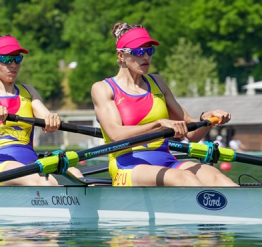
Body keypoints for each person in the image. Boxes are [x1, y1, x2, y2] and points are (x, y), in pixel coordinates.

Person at [91, 22, 238, 187]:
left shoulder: (158, 82)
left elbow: (192, 134)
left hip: (167, 162)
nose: (146, 57)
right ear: (121, 55)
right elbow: (116, 135)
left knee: (217, 177)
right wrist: (159, 124)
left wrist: (206, 119)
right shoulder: (103, 89)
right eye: (139, 51)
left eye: (150, 50)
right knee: (185, 179)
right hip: (126, 166)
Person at [0, 34, 82, 186]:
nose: (13, 65)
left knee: (76, 176)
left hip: (32, 163)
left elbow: (45, 116)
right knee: (41, 181)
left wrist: (52, 119)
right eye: (6, 59)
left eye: (17, 59)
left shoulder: (29, 92)